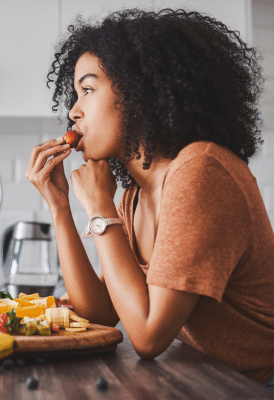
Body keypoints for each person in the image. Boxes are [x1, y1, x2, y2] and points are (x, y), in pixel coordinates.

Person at [26, 8, 274, 389]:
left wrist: (99, 208)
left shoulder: (200, 172)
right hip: (204, 378)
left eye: (88, 90)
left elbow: (147, 337)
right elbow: (103, 312)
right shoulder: (135, 195)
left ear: (138, 93)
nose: (73, 111)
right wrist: (60, 208)